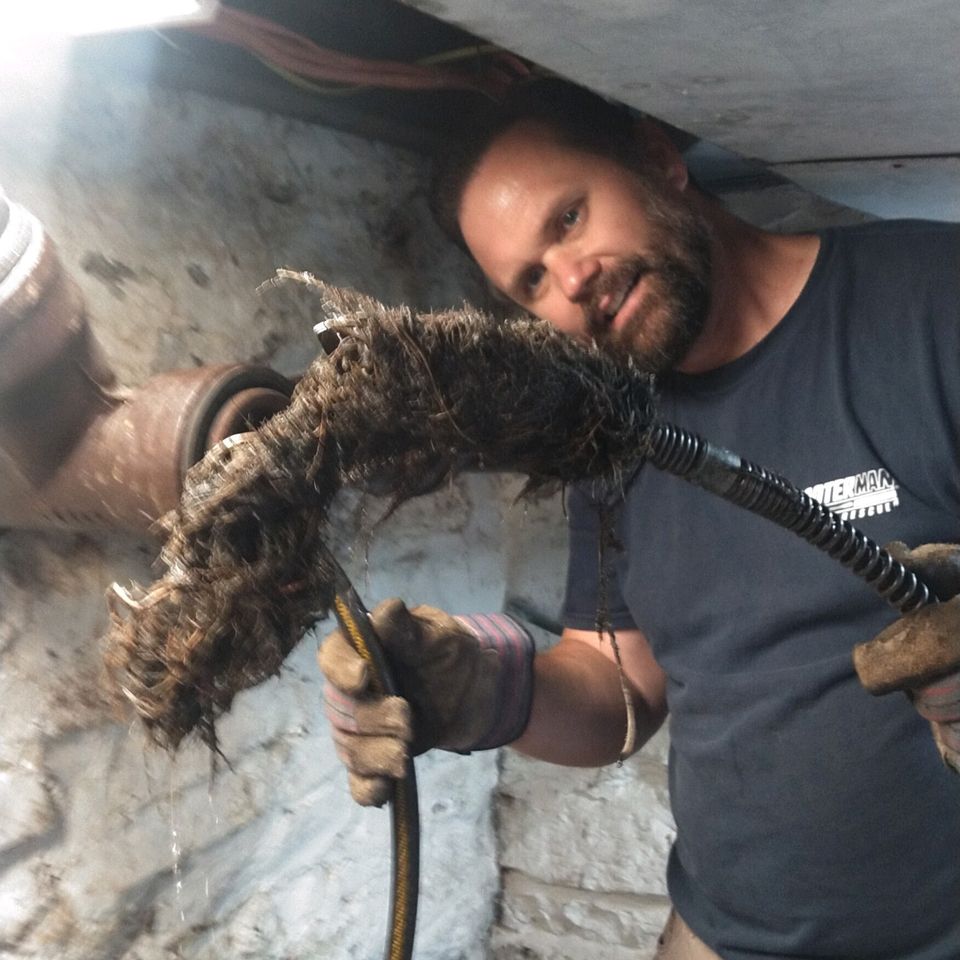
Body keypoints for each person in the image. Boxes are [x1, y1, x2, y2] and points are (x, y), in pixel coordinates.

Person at [318, 80, 960, 959]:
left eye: (570, 219)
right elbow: (621, 687)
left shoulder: (932, 297)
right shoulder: (616, 430)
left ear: (658, 160)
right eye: (531, 280)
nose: (573, 279)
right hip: (720, 934)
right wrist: (474, 687)